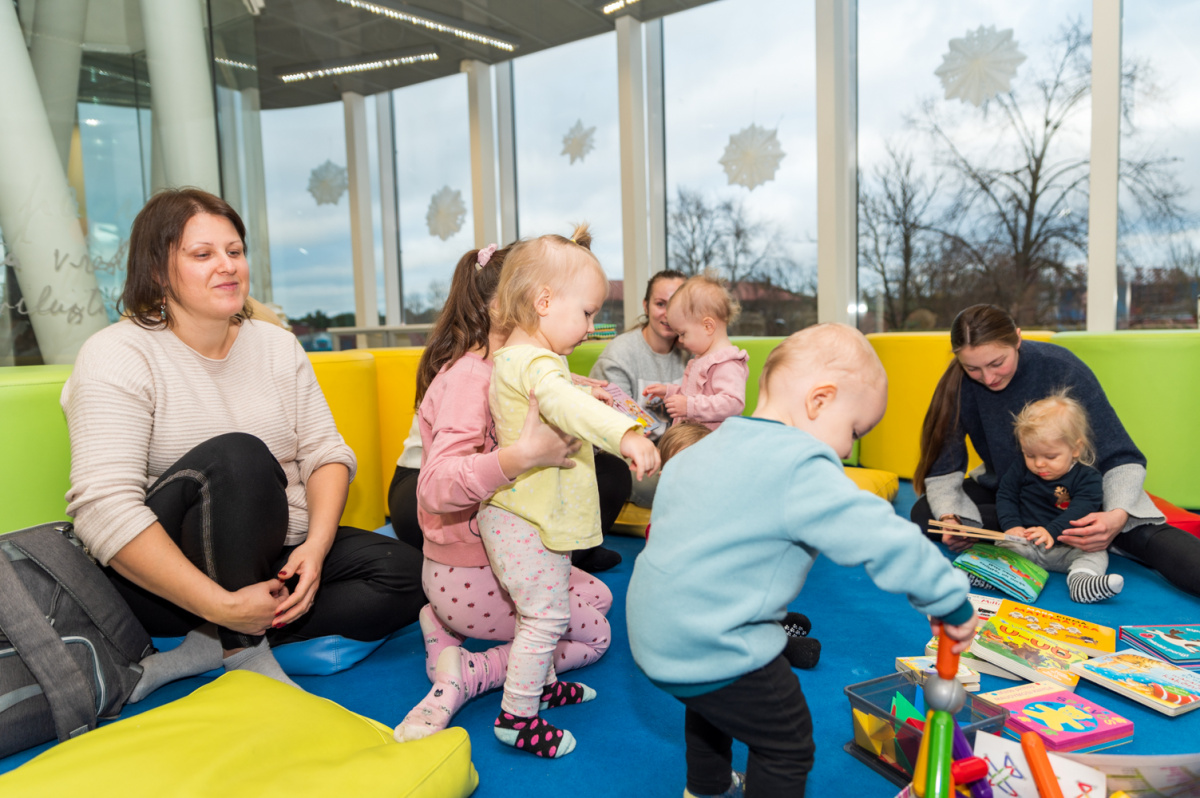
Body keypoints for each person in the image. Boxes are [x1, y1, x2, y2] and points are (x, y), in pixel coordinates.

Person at [61, 188, 425, 702]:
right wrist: (220, 604)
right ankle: (241, 648)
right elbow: (103, 508)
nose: (227, 265)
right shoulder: (117, 353)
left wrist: (316, 550)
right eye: (202, 254)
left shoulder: (276, 346)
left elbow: (326, 453)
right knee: (238, 456)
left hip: (273, 552)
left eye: (234, 251)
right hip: (166, 581)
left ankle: (208, 645)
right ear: (158, 271)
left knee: (411, 575)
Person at [627, 324, 978, 798]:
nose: (849, 449)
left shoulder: (702, 448)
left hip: (653, 631)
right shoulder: (799, 465)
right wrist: (949, 598)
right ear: (819, 400)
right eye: (854, 431)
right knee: (787, 740)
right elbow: (880, 534)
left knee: (712, 701)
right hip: (717, 641)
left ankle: (706, 789)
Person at [393, 244, 617, 742]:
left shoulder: (507, 365)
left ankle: (441, 629)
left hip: (493, 563)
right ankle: (475, 672)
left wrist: (584, 394)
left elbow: (534, 389)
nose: (585, 325)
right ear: (511, 303)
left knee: (599, 596)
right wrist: (521, 457)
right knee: (594, 636)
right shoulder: (467, 378)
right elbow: (434, 487)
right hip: (472, 571)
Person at [481, 224, 660, 758]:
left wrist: (583, 386)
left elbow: (558, 390)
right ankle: (517, 717)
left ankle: (541, 684)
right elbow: (559, 402)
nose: (590, 326)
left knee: (547, 607)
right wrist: (624, 434)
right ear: (544, 303)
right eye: (586, 313)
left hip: (538, 519)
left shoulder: (525, 358)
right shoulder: (532, 361)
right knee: (545, 617)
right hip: (524, 521)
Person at [911, 304, 1200, 597]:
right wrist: (951, 520)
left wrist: (1115, 517)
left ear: (1017, 339)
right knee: (926, 513)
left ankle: (1080, 542)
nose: (988, 378)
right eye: (973, 368)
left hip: (1084, 499)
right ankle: (1031, 536)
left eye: (997, 363)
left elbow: (1121, 457)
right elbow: (944, 468)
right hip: (1017, 491)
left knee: (1149, 538)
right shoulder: (959, 383)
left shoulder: (1061, 367)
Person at [995, 392, 1122, 603]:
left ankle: (1082, 583)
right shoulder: (1020, 469)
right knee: (1005, 547)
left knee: (1095, 553)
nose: (1039, 464)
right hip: (1028, 544)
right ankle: (995, 576)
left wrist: (1051, 531)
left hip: (1068, 549)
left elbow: (1081, 509)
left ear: (1076, 449)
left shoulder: (1088, 477)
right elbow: (1006, 495)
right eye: (1030, 455)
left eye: (1050, 456)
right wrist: (1012, 526)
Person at [589, 268, 690, 437]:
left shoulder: (693, 351)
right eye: (660, 304)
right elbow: (614, 431)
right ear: (646, 306)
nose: (668, 313)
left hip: (681, 445)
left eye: (677, 305)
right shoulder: (618, 356)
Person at [644, 274, 749, 431]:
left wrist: (689, 406)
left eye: (683, 333)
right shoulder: (701, 358)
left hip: (713, 441)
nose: (680, 340)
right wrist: (669, 392)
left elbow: (733, 403)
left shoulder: (727, 363)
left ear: (708, 326)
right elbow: (694, 394)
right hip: (694, 439)